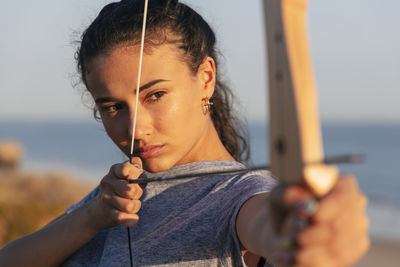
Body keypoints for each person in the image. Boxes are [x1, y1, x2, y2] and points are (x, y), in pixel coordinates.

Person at [0, 0, 369, 266]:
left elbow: (275, 229)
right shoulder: (113, 198)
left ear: (205, 78)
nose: (134, 129)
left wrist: (310, 229)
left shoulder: (241, 196)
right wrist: (91, 217)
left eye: (155, 95)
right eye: (112, 107)